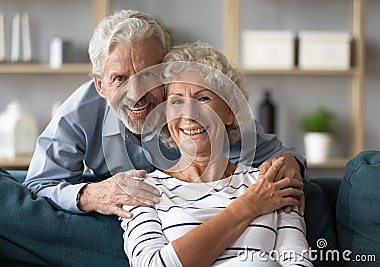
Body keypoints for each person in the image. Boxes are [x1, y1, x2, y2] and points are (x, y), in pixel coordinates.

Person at [23, 9, 306, 218]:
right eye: (120, 79)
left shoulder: (196, 104)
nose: (136, 95)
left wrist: (288, 165)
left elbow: (279, 154)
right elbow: (38, 184)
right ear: (100, 85)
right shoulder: (80, 112)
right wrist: (90, 194)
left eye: (149, 75)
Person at [120, 42, 313, 267]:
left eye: (203, 98)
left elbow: (298, 263)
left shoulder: (268, 183)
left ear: (229, 111)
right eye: (177, 101)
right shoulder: (143, 190)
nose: (189, 114)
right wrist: (249, 205)